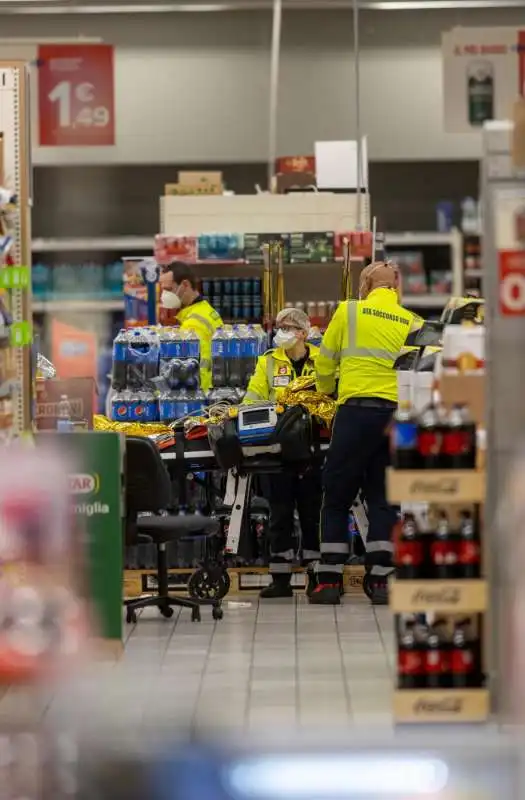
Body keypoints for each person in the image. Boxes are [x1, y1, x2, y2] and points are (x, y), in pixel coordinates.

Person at [311, 262, 423, 606]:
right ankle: (381, 580)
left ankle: (329, 580)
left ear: (366, 285)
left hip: (355, 411)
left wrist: (326, 390)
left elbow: (326, 362)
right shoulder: (413, 322)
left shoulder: (349, 311)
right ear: (395, 287)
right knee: (385, 496)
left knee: (337, 491)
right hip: (396, 416)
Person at [244, 307, 322, 598]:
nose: (281, 332)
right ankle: (280, 578)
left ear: (303, 333)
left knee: (313, 511)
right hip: (278, 448)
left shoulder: (321, 361)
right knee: (280, 512)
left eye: (288, 327)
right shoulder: (268, 362)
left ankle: (316, 573)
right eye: (279, 327)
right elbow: (253, 398)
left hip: (313, 448)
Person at [159, 262, 223, 391]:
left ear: (185, 285)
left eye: (169, 289)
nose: (164, 295)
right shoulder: (206, 311)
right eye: (163, 289)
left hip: (200, 395)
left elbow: (194, 369)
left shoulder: (193, 324)